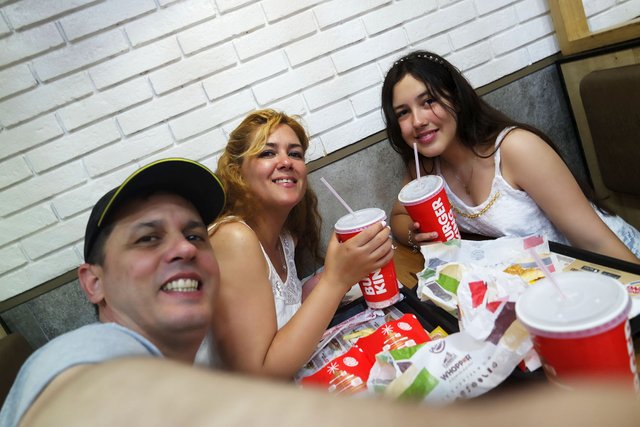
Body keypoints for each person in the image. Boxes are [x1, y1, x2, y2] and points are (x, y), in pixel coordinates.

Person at [0, 158, 226, 427]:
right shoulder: (91, 350)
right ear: (94, 282)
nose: (186, 249)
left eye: (194, 236)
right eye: (148, 238)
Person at [382, 50, 640, 263]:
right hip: (541, 282)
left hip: (611, 263)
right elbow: (399, 218)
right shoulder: (425, 168)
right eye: (403, 112)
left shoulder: (516, 149)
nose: (417, 121)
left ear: (456, 99)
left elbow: (595, 242)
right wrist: (417, 237)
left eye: (428, 101)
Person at [206, 109, 394, 378]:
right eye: (268, 153)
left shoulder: (284, 238)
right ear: (237, 172)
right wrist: (335, 279)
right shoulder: (233, 237)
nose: (286, 162)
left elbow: (275, 315)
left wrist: (335, 275)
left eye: (295, 153)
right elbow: (261, 375)